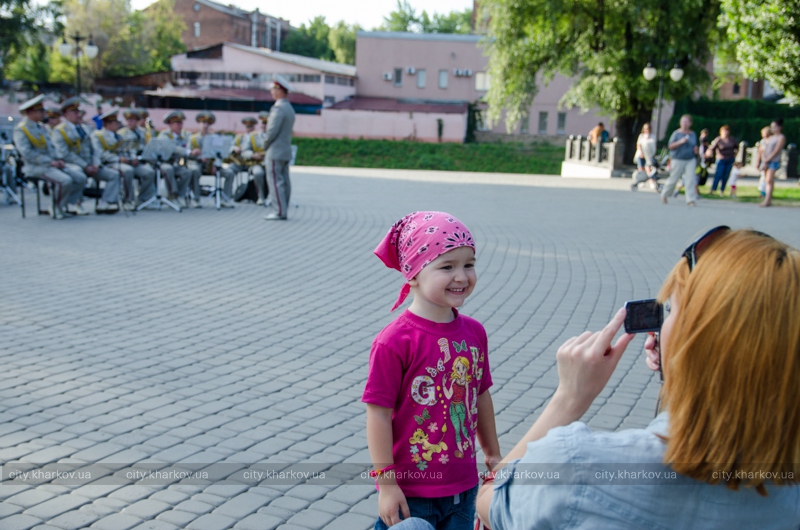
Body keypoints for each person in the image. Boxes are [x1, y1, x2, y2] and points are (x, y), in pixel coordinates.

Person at [477, 227, 800, 529]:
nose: (661, 325)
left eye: (672, 311)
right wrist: (680, 378)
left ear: (696, 341)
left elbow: (491, 503)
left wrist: (570, 397)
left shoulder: (577, 463)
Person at [364, 211, 501, 529]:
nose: (462, 277)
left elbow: (480, 395)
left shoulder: (474, 332)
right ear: (412, 274)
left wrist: (493, 454)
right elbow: (378, 415)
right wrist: (386, 485)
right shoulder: (395, 341)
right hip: (413, 494)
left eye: (469, 264)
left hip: (464, 489)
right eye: (447, 266)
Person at [13, 95, 88, 219]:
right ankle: (55, 207)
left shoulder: (39, 127)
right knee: (65, 180)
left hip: (50, 164)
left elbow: (51, 148)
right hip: (36, 166)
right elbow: (26, 152)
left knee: (80, 178)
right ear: (31, 112)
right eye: (41, 111)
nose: (44, 113)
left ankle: (61, 205)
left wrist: (58, 159)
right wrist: (50, 162)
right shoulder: (22, 129)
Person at [53, 98, 121, 214]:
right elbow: (64, 153)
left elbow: (94, 149)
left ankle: (105, 203)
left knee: (114, 175)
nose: (78, 115)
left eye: (78, 112)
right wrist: (85, 165)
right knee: (79, 174)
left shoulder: (86, 128)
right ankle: (73, 203)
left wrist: (95, 163)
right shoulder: (59, 130)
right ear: (66, 114)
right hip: (73, 164)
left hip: (90, 165)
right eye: (75, 113)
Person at [263, 75, 296, 220]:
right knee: (284, 181)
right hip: (285, 150)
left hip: (275, 151)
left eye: (273, 89)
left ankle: (279, 211)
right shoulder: (289, 108)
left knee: (276, 181)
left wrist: (264, 145)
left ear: (280, 91)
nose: (272, 92)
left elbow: (271, 131)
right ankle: (283, 208)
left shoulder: (278, 109)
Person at [157, 110, 201, 208]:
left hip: (175, 164)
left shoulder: (183, 136)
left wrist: (195, 152)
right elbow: (173, 149)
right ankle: (172, 195)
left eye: (181, 123)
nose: (180, 126)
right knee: (168, 169)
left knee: (187, 172)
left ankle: (179, 195)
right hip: (163, 162)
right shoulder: (164, 135)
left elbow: (187, 149)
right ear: (170, 124)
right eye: (177, 123)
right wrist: (189, 152)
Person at [117, 109, 157, 206]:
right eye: (128, 120)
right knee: (128, 171)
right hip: (125, 162)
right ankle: (128, 199)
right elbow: (119, 151)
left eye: (132, 120)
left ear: (137, 121)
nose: (129, 122)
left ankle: (143, 198)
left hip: (139, 162)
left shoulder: (142, 132)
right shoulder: (121, 133)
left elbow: (146, 146)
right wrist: (130, 160)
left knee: (150, 172)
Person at [223, 116, 265, 204]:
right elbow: (230, 146)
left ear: (254, 127)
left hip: (253, 163)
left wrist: (252, 155)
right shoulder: (239, 137)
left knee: (258, 173)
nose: (249, 128)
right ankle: (227, 195)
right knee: (229, 171)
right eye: (247, 127)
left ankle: (261, 196)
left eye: (251, 126)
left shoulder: (257, 136)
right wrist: (234, 149)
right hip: (239, 163)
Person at [661, 114, 699, 206]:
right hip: (678, 159)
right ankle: (665, 194)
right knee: (674, 178)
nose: (684, 123)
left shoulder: (693, 134)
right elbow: (670, 146)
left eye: (686, 122)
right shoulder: (676, 133)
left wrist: (696, 150)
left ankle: (690, 200)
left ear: (690, 123)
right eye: (683, 121)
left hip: (690, 158)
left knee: (690, 179)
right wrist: (680, 142)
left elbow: (695, 146)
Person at [760, 118, 786, 207]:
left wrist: (767, 159)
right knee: (767, 181)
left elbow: (776, 151)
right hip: (766, 161)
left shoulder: (781, 137)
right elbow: (764, 148)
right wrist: (764, 160)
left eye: (775, 127)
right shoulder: (770, 137)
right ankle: (768, 198)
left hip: (774, 161)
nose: (773, 129)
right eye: (772, 127)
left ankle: (767, 200)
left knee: (769, 180)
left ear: (779, 127)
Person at [707, 125, 738, 196]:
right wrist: (709, 152)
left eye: (727, 131)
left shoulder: (732, 139)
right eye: (724, 131)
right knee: (718, 174)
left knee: (726, 175)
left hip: (730, 159)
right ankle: (713, 189)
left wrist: (734, 155)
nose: (725, 132)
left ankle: (722, 190)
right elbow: (712, 148)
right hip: (721, 159)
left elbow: (737, 147)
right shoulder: (718, 140)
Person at [632, 122, 658, 190]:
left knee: (648, 168)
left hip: (649, 155)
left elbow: (653, 145)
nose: (646, 130)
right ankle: (641, 181)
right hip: (641, 155)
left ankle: (651, 182)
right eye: (645, 128)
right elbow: (638, 145)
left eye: (648, 128)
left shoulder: (652, 136)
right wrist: (641, 152)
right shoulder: (641, 136)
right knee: (641, 169)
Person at [755, 126, 772, 198]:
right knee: (763, 177)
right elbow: (760, 152)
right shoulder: (763, 141)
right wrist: (758, 162)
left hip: (770, 161)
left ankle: (768, 193)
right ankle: (763, 192)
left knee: (768, 178)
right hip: (763, 161)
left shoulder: (772, 141)